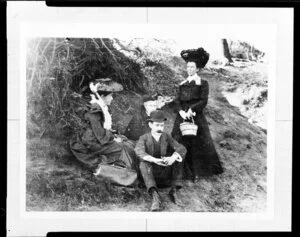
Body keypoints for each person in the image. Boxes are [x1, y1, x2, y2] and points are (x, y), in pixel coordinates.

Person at [69, 78, 138, 182]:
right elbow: (99, 134)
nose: (112, 99)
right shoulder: (94, 110)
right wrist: (114, 139)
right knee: (120, 147)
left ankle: (129, 170)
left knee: (128, 143)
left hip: (96, 138)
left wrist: (114, 135)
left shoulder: (101, 107)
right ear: (102, 96)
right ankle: (124, 176)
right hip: (90, 141)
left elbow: (103, 129)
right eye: (110, 96)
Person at [171, 48, 223, 182]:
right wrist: (181, 111)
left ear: (197, 69)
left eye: (192, 66)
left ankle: (196, 173)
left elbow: (203, 101)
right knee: (177, 140)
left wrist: (191, 110)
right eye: (188, 66)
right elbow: (177, 100)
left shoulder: (203, 83)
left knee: (197, 144)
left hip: (196, 117)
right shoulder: (182, 84)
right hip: (182, 117)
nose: (189, 69)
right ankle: (178, 171)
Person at [134, 110, 187, 211]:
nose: (160, 128)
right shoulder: (143, 138)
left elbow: (181, 148)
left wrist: (172, 158)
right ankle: (155, 196)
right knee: (143, 163)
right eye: (157, 125)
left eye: (162, 125)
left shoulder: (166, 136)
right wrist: (154, 160)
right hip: (150, 175)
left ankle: (174, 191)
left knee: (179, 157)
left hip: (164, 174)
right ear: (150, 125)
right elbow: (139, 151)